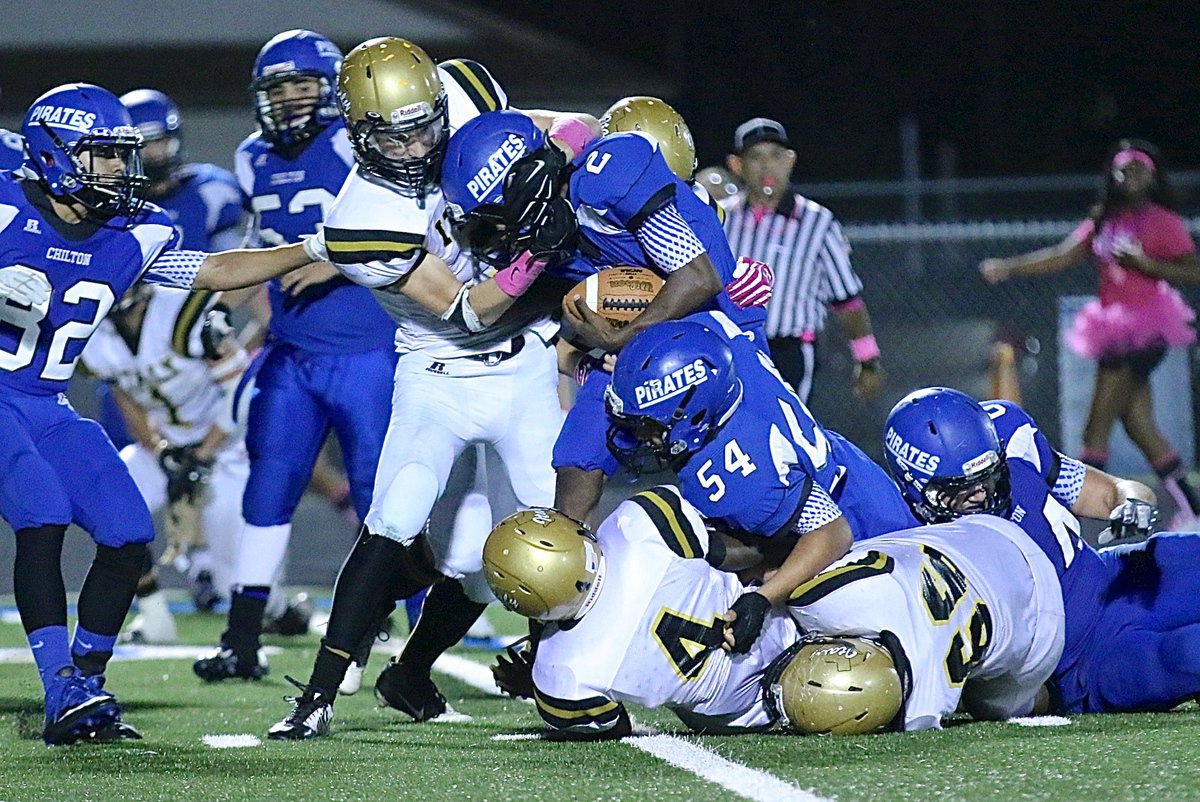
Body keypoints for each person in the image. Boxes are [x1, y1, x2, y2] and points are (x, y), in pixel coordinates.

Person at [264, 37, 598, 739]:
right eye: (399, 134)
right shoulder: (361, 216)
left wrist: (553, 159)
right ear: (360, 133)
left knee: (533, 546)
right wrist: (536, 249)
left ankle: (417, 672)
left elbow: (579, 126)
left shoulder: (467, 92)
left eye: (427, 124)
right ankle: (318, 696)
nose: (421, 145)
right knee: (394, 514)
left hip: (528, 362)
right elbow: (468, 308)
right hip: (438, 368)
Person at [0, 80, 325, 745]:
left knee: (125, 530)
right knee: (43, 510)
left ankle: (85, 684)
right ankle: (58, 683)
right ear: (57, 154)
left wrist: (313, 250)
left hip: (45, 400)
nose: (122, 169)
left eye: (124, 155)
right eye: (105, 154)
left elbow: (213, 270)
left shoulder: (129, 232)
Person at [481, 489, 1062, 737]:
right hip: (788, 621)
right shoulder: (640, 524)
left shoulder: (563, 677)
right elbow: (737, 548)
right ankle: (1035, 685)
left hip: (734, 711)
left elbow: (611, 728)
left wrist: (536, 674)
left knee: (856, 683)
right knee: (859, 666)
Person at [442, 110, 772, 524]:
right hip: (639, 343)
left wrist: (618, 339)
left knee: (752, 492)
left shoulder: (609, 175)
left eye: (494, 217)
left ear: (524, 187)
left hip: (714, 332)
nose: (494, 235)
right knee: (576, 466)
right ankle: (579, 582)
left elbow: (697, 277)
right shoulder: (545, 233)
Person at [192, 29, 400, 686]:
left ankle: (412, 631)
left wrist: (333, 258)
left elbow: (404, 218)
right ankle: (242, 639)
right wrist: (232, 300)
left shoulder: (355, 144)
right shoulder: (251, 156)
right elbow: (263, 247)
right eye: (279, 88)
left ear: (331, 91)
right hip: (291, 349)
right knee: (268, 486)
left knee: (383, 496)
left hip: (366, 347)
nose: (290, 99)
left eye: (303, 85)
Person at [603, 314, 916, 655]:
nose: (640, 438)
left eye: (648, 426)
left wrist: (763, 599)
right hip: (860, 486)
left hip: (875, 555)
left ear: (691, 412)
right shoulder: (719, 340)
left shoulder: (740, 468)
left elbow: (831, 533)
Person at [884, 387, 1200, 713]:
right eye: (959, 490)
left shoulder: (1012, 436)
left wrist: (1132, 504)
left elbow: (1109, 493)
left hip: (1115, 580)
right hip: (1080, 664)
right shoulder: (907, 542)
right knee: (1191, 653)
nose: (980, 495)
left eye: (987, 477)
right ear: (914, 487)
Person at [979, 139, 1200, 528]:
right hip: (1111, 328)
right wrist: (1009, 267)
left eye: (1138, 169)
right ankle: (1192, 509)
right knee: (1139, 425)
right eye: (1122, 169)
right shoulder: (1104, 219)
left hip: (1145, 328)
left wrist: (1146, 263)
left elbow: (1194, 270)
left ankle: (1072, 521)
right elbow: (1062, 255)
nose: (1129, 176)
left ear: (1151, 176)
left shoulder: (1162, 221)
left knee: (1095, 426)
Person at [81, 286, 250, 644]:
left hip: (228, 444)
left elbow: (242, 391)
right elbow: (127, 399)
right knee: (110, 501)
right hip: (171, 446)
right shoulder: (97, 331)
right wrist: (161, 452)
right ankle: (155, 617)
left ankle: (278, 609)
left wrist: (203, 453)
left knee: (233, 579)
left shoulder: (178, 311)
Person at [723, 117, 884, 403]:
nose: (766, 166)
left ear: (790, 160)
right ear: (737, 165)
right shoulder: (721, 218)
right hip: (728, 347)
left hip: (789, 351)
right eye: (756, 157)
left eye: (775, 156)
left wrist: (867, 358)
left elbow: (846, 300)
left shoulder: (817, 222)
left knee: (786, 439)